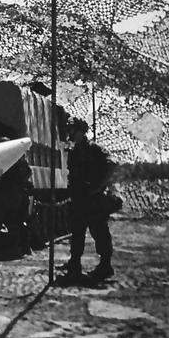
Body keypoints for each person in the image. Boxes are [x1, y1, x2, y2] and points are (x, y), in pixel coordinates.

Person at [62, 116, 117, 282]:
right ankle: (74, 265)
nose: (70, 133)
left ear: (81, 131)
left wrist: (99, 187)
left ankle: (105, 265)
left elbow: (112, 164)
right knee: (77, 233)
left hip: (93, 199)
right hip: (79, 198)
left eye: (73, 130)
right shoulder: (74, 152)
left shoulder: (94, 149)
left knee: (99, 232)